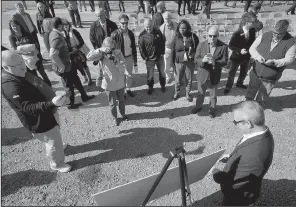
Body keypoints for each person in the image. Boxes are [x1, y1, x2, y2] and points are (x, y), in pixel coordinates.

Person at [2, 50, 72, 173]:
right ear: (5, 67)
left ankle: (58, 146)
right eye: (18, 65)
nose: (23, 66)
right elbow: (29, 108)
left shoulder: (19, 72)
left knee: (55, 134)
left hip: (47, 110)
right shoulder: (10, 87)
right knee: (51, 140)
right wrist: (52, 103)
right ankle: (56, 163)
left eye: (22, 62)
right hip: (38, 119)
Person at [212, 100, 274, 206]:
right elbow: (245, 151)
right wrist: (231, 157)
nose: (235, 124)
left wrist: (213, 171)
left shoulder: (253, 156)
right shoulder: (261, 133)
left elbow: (236, 183)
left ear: (247, 123)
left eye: (236, 122)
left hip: (238, 197)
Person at [246, 20, 296, 107]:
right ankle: (248, 105)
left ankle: (258, 107)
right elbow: (252, 48)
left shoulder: (291, 42)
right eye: (274, 33)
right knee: (251, 89)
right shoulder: (265, 35)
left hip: (271, 76)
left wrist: (275, 62)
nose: (276, 35)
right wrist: (258, 57)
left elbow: (290, 59)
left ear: (285, 31)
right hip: (255, 71)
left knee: (263, 94)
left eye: (279, 34)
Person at [49, 17, 94, 109]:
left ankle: (84, 96)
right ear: (59, 26)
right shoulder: (56, 37)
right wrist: (61, 66)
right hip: (64, 67)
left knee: (76, 79)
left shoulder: (54, 33)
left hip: (68, 65)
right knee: (68, 86)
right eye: (62, 25)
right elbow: (53, 54)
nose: (64, 26)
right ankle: (70, 104)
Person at [87, 37, 130, 126]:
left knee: (121, 100)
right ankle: (115, 117)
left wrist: (115, 60)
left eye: (113, 48)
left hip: (119, 81)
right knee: (112, 103)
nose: (112, 51)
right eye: (109, 49)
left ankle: (123, 114)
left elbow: (123, 67)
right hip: (108, 82)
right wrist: (100, 50)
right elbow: (89, 57)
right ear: (105, 47)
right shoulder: (101, 54)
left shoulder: (118, 53)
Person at [191, 26, 228, 118]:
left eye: (214, 36)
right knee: (200, 93)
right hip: (202, 74)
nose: (212, 38)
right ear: (207, 35)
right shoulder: (201, 44)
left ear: (218, 35)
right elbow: (195, 59)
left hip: (214, 75)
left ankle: (212, 109)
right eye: (210, 36)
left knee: (213, 95)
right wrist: (202, 60)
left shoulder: (223, 46)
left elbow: (225, 61)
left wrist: (215, 62)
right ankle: (198, 106)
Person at [9, 19, 52, 87]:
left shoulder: (27, 33)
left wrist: (31, 50)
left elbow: (35, 44)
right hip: (26, 60)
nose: (15, 27)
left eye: (16, 25)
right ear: (11, 27)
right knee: (34, 75)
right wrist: (26, 53)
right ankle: (40, 88)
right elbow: (14, 50)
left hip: (36, 56)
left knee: (42, 73)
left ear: (19, 25)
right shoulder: (12, 37)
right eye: (13, 26)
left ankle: (49, 86)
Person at [224, 13, 257, 95]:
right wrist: (239, 50)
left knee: (244, 71)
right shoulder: (237, 33)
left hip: (246, 57)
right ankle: (228, 87)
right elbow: (231, 45)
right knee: (232, 73)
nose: (254, 24)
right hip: (236, 57)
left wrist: (251, 52)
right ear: (247, 23)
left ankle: (239, 83)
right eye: (252, 22)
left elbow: (252, 43)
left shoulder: (252, 31)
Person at [170, 19, 199, 102]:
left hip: (189, 62)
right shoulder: (176, 37)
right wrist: (172, 63)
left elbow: (197, 49)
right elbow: (172, 50)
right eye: (180, 28)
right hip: (179, 62)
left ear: (188, 28)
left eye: (184, 28)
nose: (182, 30)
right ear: (178, 28)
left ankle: (187, 93)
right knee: (178, 79)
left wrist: (192, 51)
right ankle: (177, 92)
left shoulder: (193, 36)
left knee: (189, 79)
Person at [111, 14, 138, 98]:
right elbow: (111, 48)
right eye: (122, 23)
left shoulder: (131, 33)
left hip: (129, 57)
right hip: (120, 59)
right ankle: (122, 92)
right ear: (119, 23)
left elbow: (133, 48)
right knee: (121, 76)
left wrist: (135, 62)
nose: (124, 25)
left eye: (126, 23)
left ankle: (128, 89)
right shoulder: (114, 34)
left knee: (129, 75)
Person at [138, 17, 166, 95]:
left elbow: (162, 43)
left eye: (150, 26)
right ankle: (150, 87)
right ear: (144, 26)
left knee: (162, 73)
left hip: (159, 57)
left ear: (153, 24)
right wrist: (146, 58)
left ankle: (163, 85)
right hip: (149, 59)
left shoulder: (158, 32)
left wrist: (162, 53)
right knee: (150, 75)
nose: (148, 28)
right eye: (146, 26)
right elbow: (141, 49)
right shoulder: (142, 36)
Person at [63, 20, 93, 85]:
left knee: (84, 65)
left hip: (80, 51)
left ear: (69, 25)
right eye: (64, 26)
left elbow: (81, 41)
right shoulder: (64, 33)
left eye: (66, 25)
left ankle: (90, 79)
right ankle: (85, 78)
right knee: (78, 66)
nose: (65, 27)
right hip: (72, 53)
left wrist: (76, 48)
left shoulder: (74, 31)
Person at [159, 11, 178, 84]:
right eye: (165, 19)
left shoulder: (176, 25)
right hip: (167, 49)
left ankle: (176, 77)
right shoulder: (161, 28)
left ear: (171, 18)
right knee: (166, 65)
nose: (166, 20)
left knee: (175, 64)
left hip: (175, 48)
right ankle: (168, 77)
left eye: (167, 18)